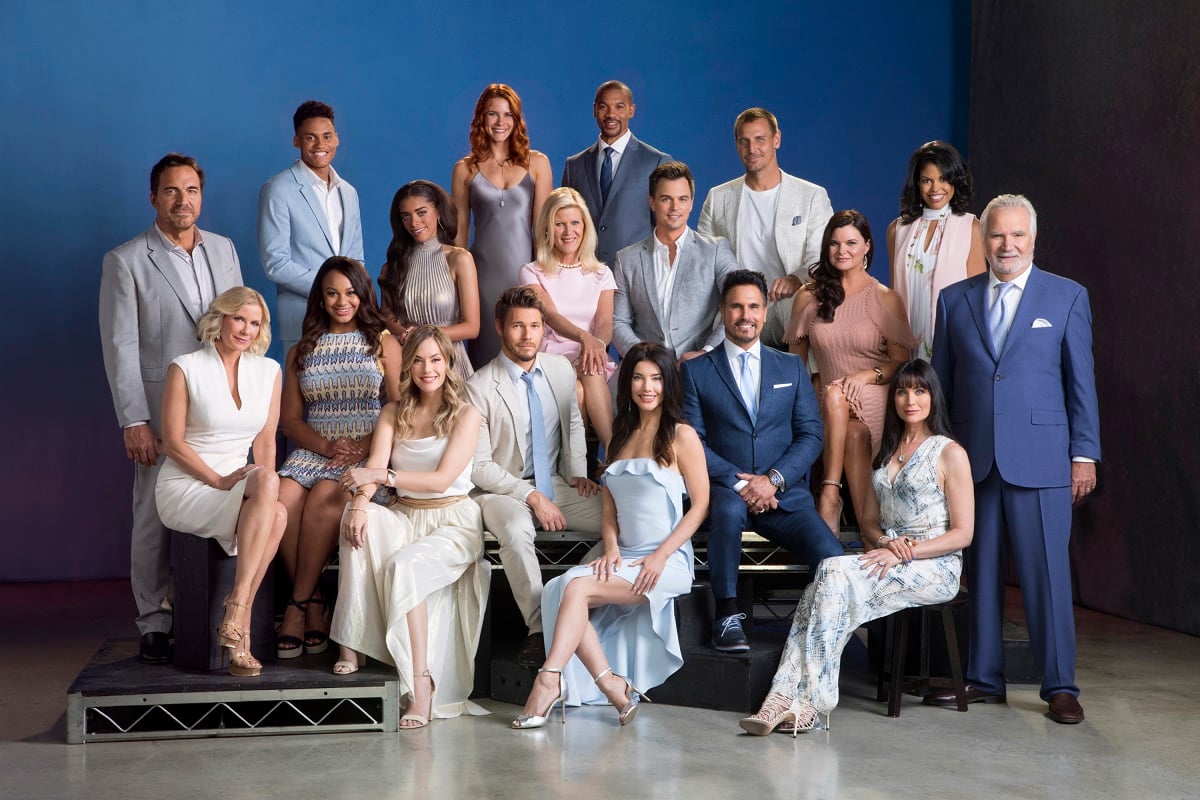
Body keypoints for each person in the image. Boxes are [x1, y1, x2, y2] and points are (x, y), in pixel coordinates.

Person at [928, 194, 1100, 725]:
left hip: (1043, 459)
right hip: (973, 461)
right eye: (997, 236)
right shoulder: (954, 300)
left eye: (1017, 235)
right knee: (979, 572)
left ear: (1033, 239)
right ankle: (983, 678)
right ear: (984, 241)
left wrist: (1084, 453)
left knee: (1046, 575)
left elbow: (1080, 383)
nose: (1007, 245)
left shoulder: (1066, 296)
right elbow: (942, 385)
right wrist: (940, 456)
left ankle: (1059, 685)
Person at [739, 359, 974, 735]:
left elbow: (963, 534)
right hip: (890, 556)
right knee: (826, 580)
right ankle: (787, 699)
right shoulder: (888, 451)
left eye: (919, 390)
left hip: (935, 566)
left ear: (933, 397)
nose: (909, 399)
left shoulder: (950, 453)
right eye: (901, 391)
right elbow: (867, 519)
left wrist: (904, 550)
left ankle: (806, 700)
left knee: (831, 570)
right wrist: (884, 543)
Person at [513, 342, 709, 729]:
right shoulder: (620, 436)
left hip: (664, 561)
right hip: (625, 554)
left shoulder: (682, 436)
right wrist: (613, 547)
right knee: (558, 587)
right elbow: (609, 505)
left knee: (577, 590)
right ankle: (613, 685)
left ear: (668, 384)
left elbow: (700, 505)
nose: (647, 387)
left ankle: (548, 680)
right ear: (628, 384)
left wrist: (659, 556)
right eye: (638, 377)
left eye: (656, 378)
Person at [99, 153, 244, 664]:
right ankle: (154, 622)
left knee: (226, 502)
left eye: (192, 191)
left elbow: (241, 324)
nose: (183, 201)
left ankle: (214, 613)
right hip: (162, 410)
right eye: (171, 191)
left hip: (222, 405)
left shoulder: (224, 250)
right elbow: (120, 345)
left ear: (201, 196)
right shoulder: (127, 260)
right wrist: (133, 419)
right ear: (154, 197)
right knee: (152, 514)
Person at [330, 326, 491, 730]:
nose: (427, 368)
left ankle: (422, 688)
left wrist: (381, 477)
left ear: (449, 363)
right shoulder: (392, 412)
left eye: (436, 359)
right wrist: (359, 503)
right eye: (418, 359)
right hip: (405, 515)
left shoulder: (467, 414)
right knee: (355, 523)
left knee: (406, 566)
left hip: (452, 520)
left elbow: (439, 480)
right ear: (407, 366)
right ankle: (351, 644)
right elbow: (372, 471)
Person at [681, 271, 844, 652]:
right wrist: (741, 483)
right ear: (723, 311)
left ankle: (820, 632)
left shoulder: (790, 368)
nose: (745, 314)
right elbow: (692, 442)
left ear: (766, 312)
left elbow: (811, 435)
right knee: (728, 512)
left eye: (753, 306)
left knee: (833, 557)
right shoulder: (695, 371)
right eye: (736, 306)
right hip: (726, 491)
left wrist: (772, 479)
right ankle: (726, 614)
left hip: (783, 495)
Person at [467, 287, 603, 667]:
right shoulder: (478, 387)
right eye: (517, 326)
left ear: (545, 329)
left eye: (535, 326)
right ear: (499, 328)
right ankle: (540, 626)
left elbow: (573, 424)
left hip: (557, 484)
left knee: (621, 521)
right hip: (501, 490)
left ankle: (567, 596)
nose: (528, 335)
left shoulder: (559, 370)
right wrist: (531, 497)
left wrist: (578, 473)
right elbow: (479, 466)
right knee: (514, 531)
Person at [274, 257, 403, 659]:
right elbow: (290, 420)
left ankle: (296, 607)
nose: (341, 301)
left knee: (324, 498)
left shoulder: (383, 341)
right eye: (332, 293)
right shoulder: (300, 350)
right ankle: (314, 602)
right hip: (316, 448)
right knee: (282, 500)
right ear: (321, 298)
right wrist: (328, 447)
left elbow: (399, 407)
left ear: (362, 295)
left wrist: (363, 447)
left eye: (349, 292)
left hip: (367, 448)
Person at [154, 287, 286, 678]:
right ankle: (239, 623)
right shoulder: (186, 367)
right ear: (221, 319)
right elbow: (173, 443)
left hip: (239, 481)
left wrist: (265, 485)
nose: (246, 329)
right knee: (274, 511)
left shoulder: (269, 371)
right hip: (187, 483)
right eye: (239, 319)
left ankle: (236, 607)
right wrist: (218, 479)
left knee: (274, 505)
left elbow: (264, 441)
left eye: (255, 322)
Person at [784, 210, 916, 538]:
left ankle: (829, 495)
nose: (842, 250)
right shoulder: (809, 296)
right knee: (848, 426)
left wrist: (863, 376)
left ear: (867, 247)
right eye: (834, 243)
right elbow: (794, 366)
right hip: (828, 402)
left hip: (874, 392)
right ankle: (873, 540)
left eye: (851, 243)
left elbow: (900, 363)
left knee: (836, 393)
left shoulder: (884, 297)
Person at [698, 107, 834, 348]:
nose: (752, 149)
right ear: (736, 144)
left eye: (760, 139)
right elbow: (703, 261)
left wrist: (796, 278)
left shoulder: (811, 196)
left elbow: (821, 257)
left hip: (790, 307)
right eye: (744, 141)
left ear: (776, 139)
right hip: (737, 312)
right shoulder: (718, 197)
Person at [451, 84, 554, 367]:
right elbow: (459, 234)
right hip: (481, 277)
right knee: (485, 355)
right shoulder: (465, 169)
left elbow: (542, 231)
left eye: (508, 115)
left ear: (517, 119)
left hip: (525, 274)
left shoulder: (538, 163)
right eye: (492, 114)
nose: (500, 122)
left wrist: (544, 280)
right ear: (481, 119)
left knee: (524, 348)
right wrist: (456, 281)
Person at [259, 100, 364, 355]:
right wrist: (328, 289)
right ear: (297, 141)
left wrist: (348, 299)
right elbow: (276, 263)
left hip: (348, 319)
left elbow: (356, 260)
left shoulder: (348, 192)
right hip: (303, 319)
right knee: (302, 394)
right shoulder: (278, 190)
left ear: (337, 139)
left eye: (327, 136)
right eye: (310, 138)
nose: (320, 145)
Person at [519, 186, 617, 449]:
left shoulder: (601, 273)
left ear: (585, 226)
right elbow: (549, 314)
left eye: (575, 223)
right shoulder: (532, 271)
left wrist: (596, 344)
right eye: (559, 224)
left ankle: (610, 453)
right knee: (578, 390)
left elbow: (606, 323)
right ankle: (579, 465)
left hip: (591, 355)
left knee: (591, 368)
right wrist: (585, 338)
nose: (568, 231)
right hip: (552, 357)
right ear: (548, 229)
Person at [612, 161, 740, 361]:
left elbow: (739, 302)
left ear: (691, 203)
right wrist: (643, 358)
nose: (675, 208)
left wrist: (707, 353)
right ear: (652, 202)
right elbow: (618, 321)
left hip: (700, 367)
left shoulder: (715, 250)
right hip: (645, 369)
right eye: (666, 199)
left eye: (682, 199)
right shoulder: (626, 259)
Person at [886, 140, 986, 359]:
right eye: (926, 180)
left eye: (943, 179)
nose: (935, 189)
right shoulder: (897, 229)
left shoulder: (971, 227)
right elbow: (893, 298)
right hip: (907, 342)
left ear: (955, 181)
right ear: (917, 184)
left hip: (953, 343)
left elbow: (979, 297)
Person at [561, 80, 672, 266]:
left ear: (631, 110)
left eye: (619, 106)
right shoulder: (575, 165)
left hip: (636, 275)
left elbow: (666, 228)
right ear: (595, 110)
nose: (611, 114)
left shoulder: (655, 162)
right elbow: (565, 221)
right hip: (584, 273)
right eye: (604, 107)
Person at [378, 180, 479, 378]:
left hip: (451, 364)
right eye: (405, 216)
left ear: (439, 211)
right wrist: (410, 337)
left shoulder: (459, 259)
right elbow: (387, 316)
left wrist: (421, 335)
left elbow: (472, 327)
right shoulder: (392, 266)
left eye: (421, 212)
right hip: (410, 363)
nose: (414, 222)